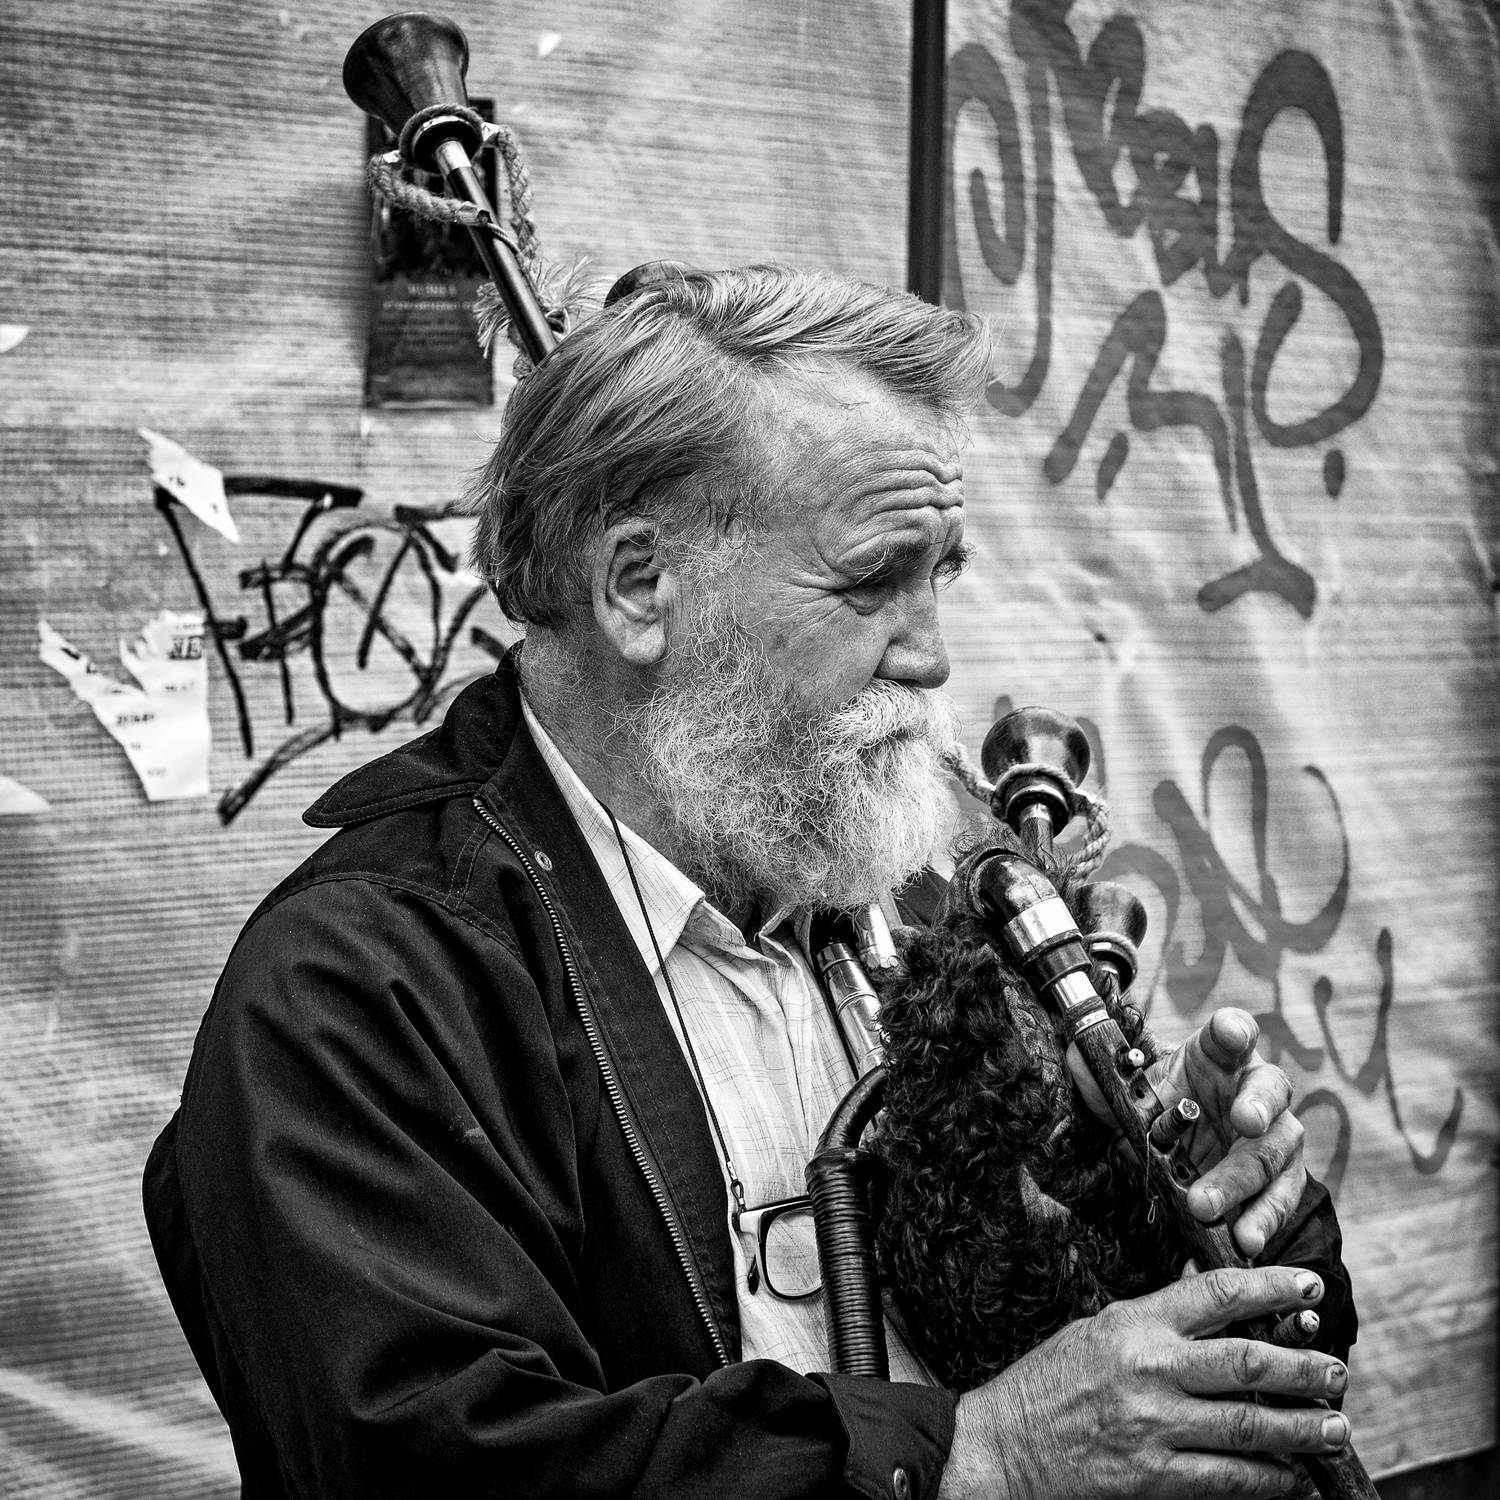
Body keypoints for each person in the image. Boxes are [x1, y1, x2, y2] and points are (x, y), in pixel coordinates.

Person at [145, 264, 1357, 1500]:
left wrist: (1181, 1204)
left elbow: (1106, 1347)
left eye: (941, 575)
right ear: (637, 586)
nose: (933, 656)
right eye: (871, 581)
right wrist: (983, 1458)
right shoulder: (360, 987)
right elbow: (439, 1465)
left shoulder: (912, 883)